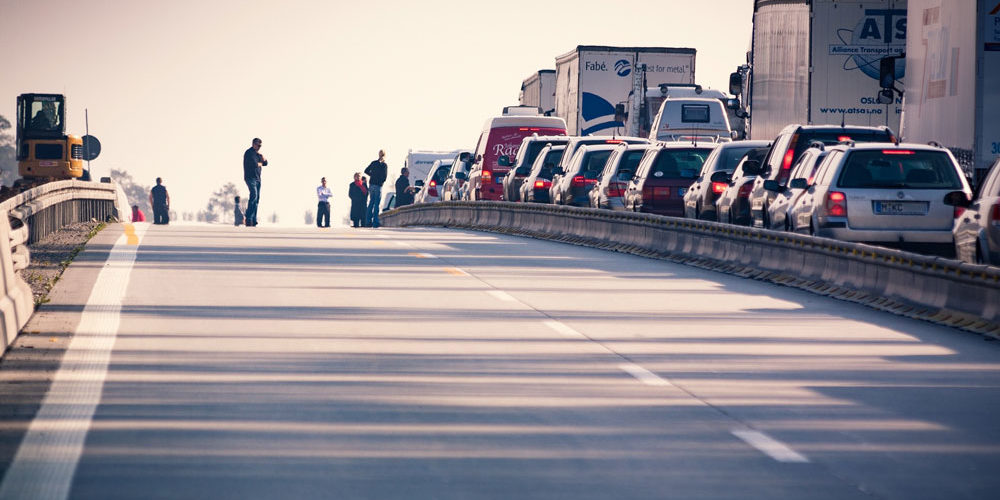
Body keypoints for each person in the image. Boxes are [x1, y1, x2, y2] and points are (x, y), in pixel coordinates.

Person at [243, 138, 267, 227]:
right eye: (258, 145)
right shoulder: (249, 153)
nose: (259, 147)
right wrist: (261, 162)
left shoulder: (258, 154)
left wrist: (262, 157)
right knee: (254, 195)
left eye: (260, 145)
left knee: (256, 200)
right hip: (250, 178)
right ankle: (248, 217)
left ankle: (253, 219)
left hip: (258, 178)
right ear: (253, 144)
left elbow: (266, 163)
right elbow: (254, 164)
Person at [363, 150, 388, 228]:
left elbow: (366, 171)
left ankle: (367, 222)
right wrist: (380, 181)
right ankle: (375, 222)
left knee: (371, 203)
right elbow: (384, 177)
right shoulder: (384, 165)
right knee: (377, 204)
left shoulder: (373, 163)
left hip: (371, 184)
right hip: (378, 185)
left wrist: (372, 175)